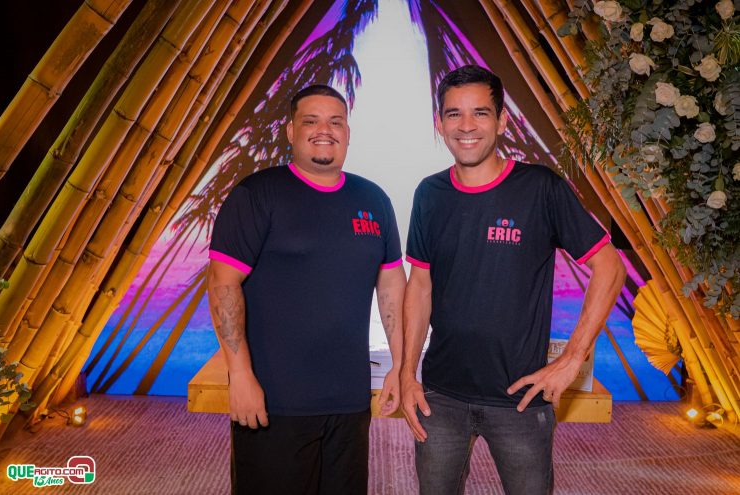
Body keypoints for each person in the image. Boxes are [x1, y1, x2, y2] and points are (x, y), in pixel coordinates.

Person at [400, 65, 626, 495]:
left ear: (502, 121)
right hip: (441, 396)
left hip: (520, 397)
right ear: (439, 124)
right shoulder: (429, 194)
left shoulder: (540, 188)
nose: (467, 126)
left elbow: (610, 268)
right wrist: (408, 374)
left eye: (480, 113)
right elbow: (420, 286)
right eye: (454, 114)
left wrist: (571, 359)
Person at [207, 84, 406, 495]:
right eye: (311, 121)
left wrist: (400, 365)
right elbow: (222, 283)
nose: (324, 130)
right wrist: (240, 376)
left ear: (347, 132)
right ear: (290, 130)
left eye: (335, 122)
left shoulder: (373, 200)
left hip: (349, 402)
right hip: (274, 401)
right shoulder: (256, 195)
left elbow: (391, 286)